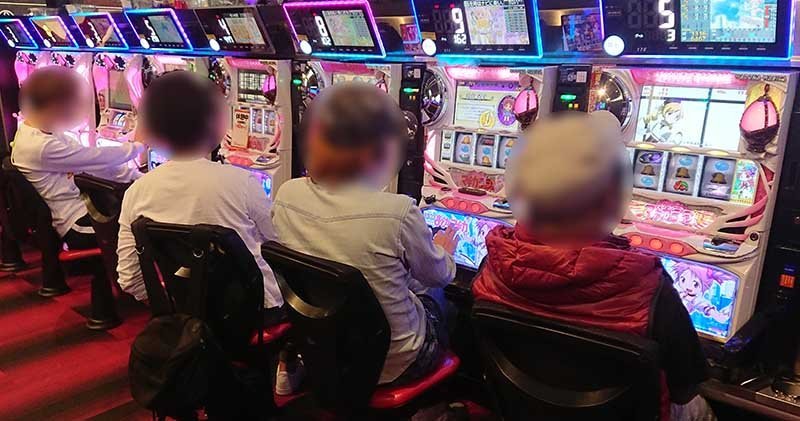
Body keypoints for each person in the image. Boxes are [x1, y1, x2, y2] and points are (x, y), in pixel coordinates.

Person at [472, 111, 715, 420]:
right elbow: (685, 384)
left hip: (524, 411)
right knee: (700, 408)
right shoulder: (647, 286)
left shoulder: (495, 261)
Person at [271, 83, 458, 386]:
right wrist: (444, 250)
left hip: (324, 346)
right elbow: (440, 275)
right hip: (394, 362)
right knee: (442, 296)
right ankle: (455, 396)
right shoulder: (397, 211)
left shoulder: (287, 193)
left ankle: (297, 361)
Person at [115, 71, 283, 313]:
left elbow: (129, 278)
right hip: (255, 311)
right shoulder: (242, 183)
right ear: (216, 124)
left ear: (150, 128)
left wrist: (174, 305)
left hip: (182, 309)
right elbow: (278, 244)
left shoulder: (136, 192)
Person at [11, 66, 143, 249]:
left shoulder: (40, 130)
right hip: (76, 224)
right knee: (140, 226)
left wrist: (139, 178)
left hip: (84, 208)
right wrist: (138, 146)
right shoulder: (40, 146)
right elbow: (94, 158)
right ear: (55, 106)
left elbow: (93, 164)